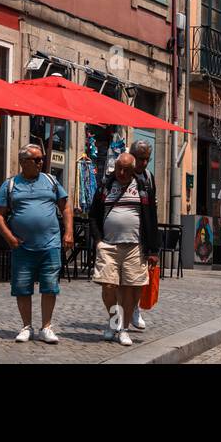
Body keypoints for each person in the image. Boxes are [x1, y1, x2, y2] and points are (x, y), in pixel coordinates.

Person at [0, 143, 71, 343]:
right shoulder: (10, 185)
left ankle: (46, 327)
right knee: (22, 287)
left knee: (50, 286)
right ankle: (26, 326)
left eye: (41, 159)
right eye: (36, 159)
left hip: (50, 244)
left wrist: (68, 232)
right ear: (22, 162)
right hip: (22, 246)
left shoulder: (51, 181)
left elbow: (65, 208)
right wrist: (9, 237)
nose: (40, 163)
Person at [89, 152, 160, 345]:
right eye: (118, 168)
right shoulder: (105, 185)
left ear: (133, 169)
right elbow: (93, 215)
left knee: (131, 288)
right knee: (108, 286)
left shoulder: (143, 187)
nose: (121, 172)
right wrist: (98, 240)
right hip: (108, 245)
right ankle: (114, 321)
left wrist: (153, 250)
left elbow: (151, 219)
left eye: (126, 169)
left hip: (135, 246)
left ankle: (125, 329)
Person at [128, 139, 156, 330]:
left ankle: (135, 309)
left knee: (138, 278)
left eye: (147, 159)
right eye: (141, 159)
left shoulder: (149, 176)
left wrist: (154, 244)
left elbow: (153, 209)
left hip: (141, 235)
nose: (144, 163)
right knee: (117, 281)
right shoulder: (121, 173)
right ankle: (119, 315)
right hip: (120, 235)